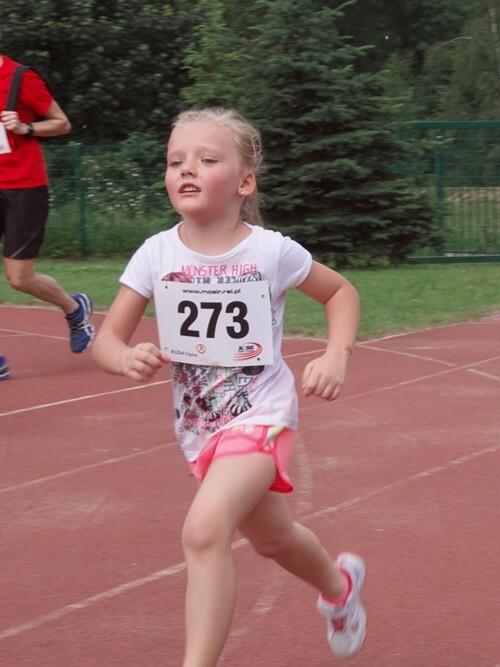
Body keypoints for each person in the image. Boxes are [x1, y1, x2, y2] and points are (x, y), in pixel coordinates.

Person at [92, 108, 366, 663]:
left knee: (203, 531)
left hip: (262, 414)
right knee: (273, 540)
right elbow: (106, 341)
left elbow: (341, 293)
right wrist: (125, 358)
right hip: (200, 429)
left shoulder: (270, 251)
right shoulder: (156, 254)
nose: (186, 169)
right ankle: (340, 590)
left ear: (245, 182)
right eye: (175, 161)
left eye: (206, 159)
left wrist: (335, 355)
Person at [1, 28, 94, 368]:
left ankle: (74, 308)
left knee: (19, 278)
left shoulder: (20, 77)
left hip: (24, 187)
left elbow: (61, 123)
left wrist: (26, 127)